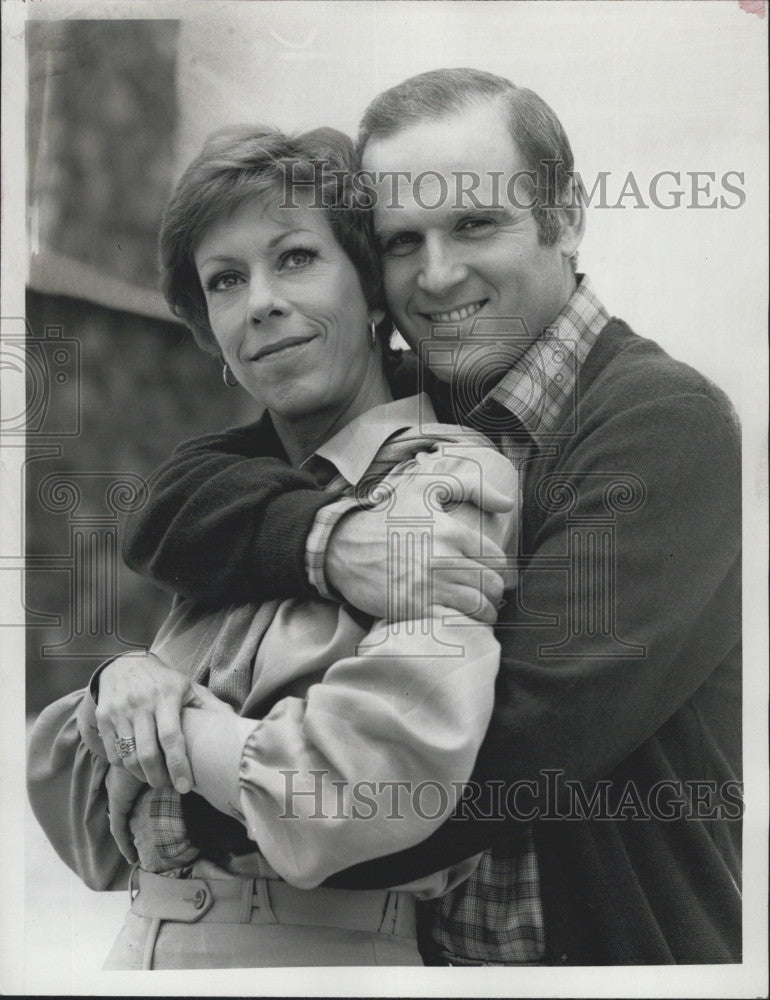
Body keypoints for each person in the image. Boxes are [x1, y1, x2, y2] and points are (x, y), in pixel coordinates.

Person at [119, 68, 743, 966]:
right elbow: (174, 501)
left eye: (475, 224)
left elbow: (515, 747)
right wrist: (320, 545)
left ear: (565, 216)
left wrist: (187, 792)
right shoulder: (423, 407)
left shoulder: (662, 426)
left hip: (606, 963)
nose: (439, 275)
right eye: (403, 240)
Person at [26, 124, 520, 969]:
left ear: (373, 293)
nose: (259, 302)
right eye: (225, 280)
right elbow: (77, 818)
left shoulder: (443, 483)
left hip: (315, 960)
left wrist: (165, 735)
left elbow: (356, 785)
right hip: (143, 951)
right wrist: (124, 680)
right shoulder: (234, 508)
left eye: (294, 258)